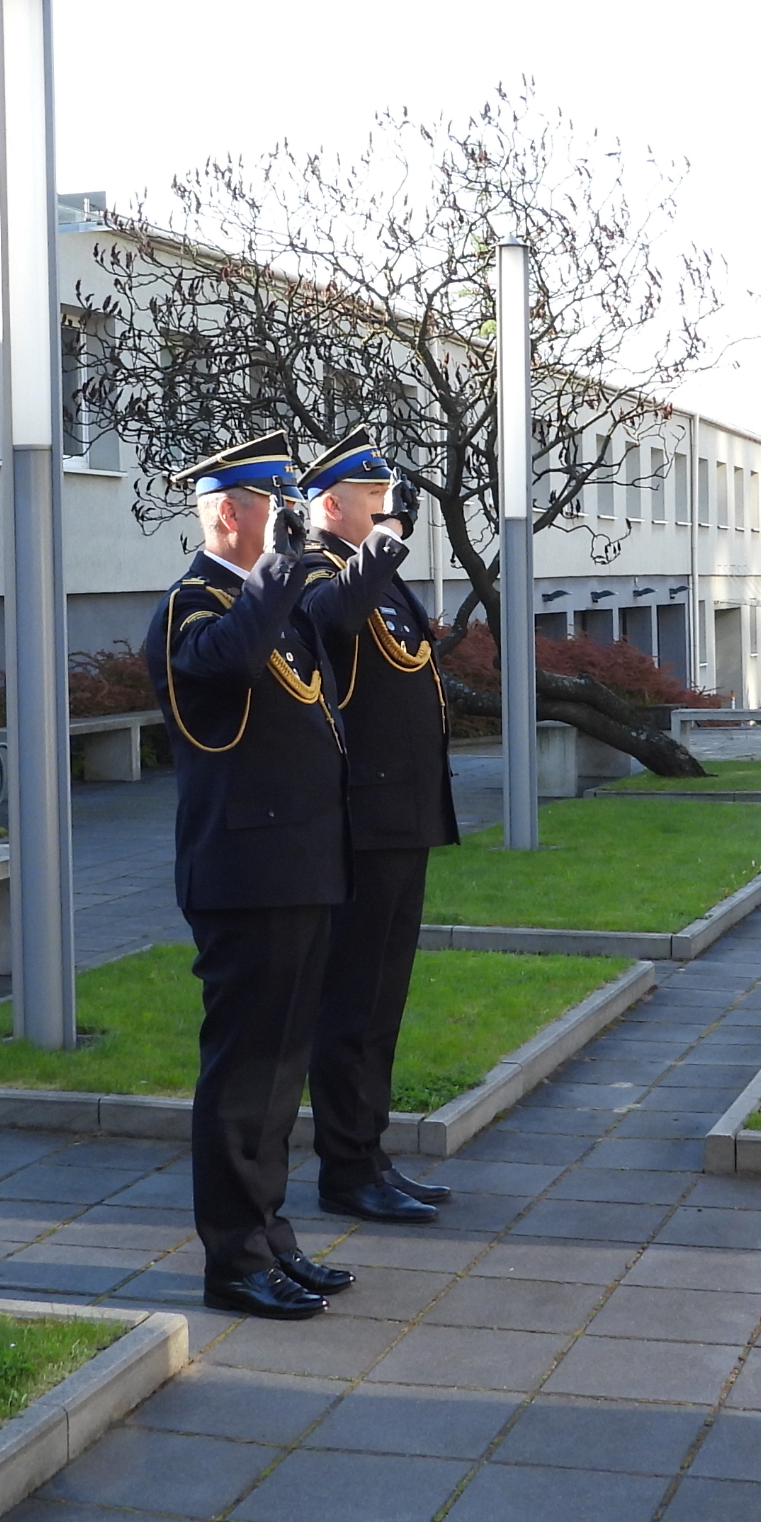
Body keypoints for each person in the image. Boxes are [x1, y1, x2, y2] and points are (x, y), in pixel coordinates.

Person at [141, 433, 370, 1321]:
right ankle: (232, 1261)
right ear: (231, 515)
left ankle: (271, 1238)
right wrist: (278, 569)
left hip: (301, 867)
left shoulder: (268, 601)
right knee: (244, 1076)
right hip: (245, 875)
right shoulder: (190, 608)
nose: (293, 525)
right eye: (279, 509)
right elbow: (230, 662)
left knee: (281, 1074)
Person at [295, 429, 458, 1224]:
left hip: (404, 814)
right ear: (332, 505)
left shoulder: (373, 574)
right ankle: (346, 1170)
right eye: (373, 497)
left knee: (383, 1002)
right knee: (352, 1004)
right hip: (362, 818)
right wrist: (385, 543)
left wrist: (384, 549)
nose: (388, 506)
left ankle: (372, 1155)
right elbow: (329, 619)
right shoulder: (316, 572)